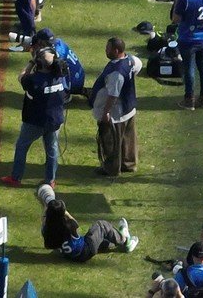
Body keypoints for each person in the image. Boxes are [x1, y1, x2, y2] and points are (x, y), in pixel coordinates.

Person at [2, 45, 69, 186]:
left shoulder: (33, 80)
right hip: (55, 120)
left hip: (35, 121)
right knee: (52, 150)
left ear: (38, 64)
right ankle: (50, 180)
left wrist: (30, 63)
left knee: (22, 146)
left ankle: (16, 177)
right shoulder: (60, 76)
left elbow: (21, 77)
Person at [91, 36, 142, 175]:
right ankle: (129, 163)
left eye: (108, 48)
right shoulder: (130, 59)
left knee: (111, 141)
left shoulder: (116, 73)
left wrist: (106, 112)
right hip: (129, 107)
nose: (105, 50)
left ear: (116, 50)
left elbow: (113, 94)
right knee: (128, 138)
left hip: (116, 113)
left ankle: (111, 168)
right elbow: (139, 65)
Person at [39, 190, 138, 259]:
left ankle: (119, 237)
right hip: (85, 250)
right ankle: (126, 242)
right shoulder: (68, 226)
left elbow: (47, 217)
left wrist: (49, 207)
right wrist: (65, 212)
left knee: (104, 240)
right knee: (101, 226)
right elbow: (75, 223)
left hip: (69, 255)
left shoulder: (46, 229)